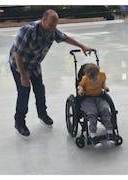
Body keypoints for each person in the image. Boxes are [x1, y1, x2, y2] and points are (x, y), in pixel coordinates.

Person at [9, 9, 93, 137]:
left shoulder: (52, 31)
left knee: (40, 90)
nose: (52, 28)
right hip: (19, 65)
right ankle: (19, 122)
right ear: (43, 20)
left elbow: (65, 38)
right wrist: (24, 76)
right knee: (24, 92)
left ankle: (42, 114)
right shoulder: (28, 31)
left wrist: (82, 46)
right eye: (50, 25)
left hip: (34, 64)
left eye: (55, 26)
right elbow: (17, 55)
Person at [78, 63, 115, 147]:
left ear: (98, 73)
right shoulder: (85, 79)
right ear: (87, 76)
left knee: (105, 109)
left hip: (99, 96)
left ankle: (110, 131)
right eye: (92, 79)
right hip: (87, 98)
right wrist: (80, 91)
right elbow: (80, 87)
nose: (94, 81)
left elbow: (103, 84)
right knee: (92, 113)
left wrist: (105, 87)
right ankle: (93, 135)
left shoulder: (102, 75)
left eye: (95, 78)